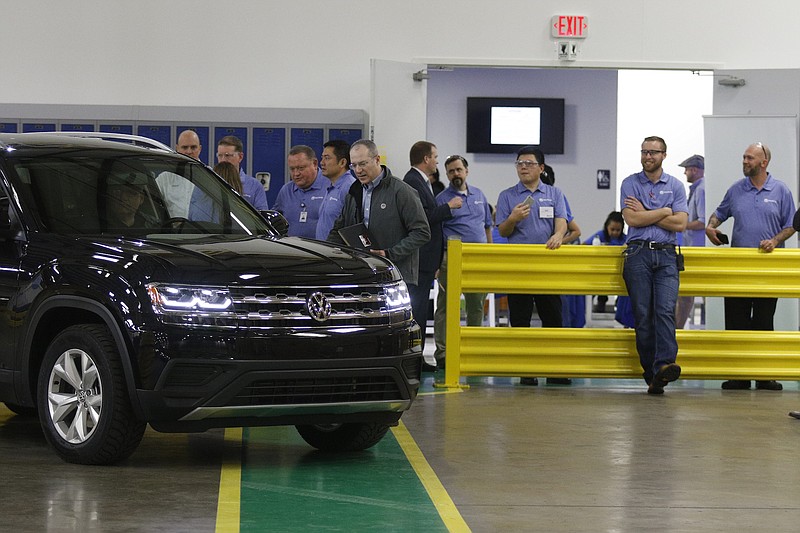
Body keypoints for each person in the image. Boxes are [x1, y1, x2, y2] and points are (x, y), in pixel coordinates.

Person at [706, 142, 796, 391]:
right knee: (736, 322)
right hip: (738, 270)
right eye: (744, 157)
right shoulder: (736, 190)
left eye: (749, 158)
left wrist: (776, 240)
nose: (744, 161)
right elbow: (718, 214)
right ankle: (739, 376)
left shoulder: (781, 191)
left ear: (763, 162)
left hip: (768, 270)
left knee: (764, 322)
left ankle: (764, 375)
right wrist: (711, 226)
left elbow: (791, 225)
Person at [496, 146, 569, 386]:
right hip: (519, 265)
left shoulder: (554, 193)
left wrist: (558, 236)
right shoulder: (507, 196)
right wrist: (513, 218)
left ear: (541, 168)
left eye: (528, 163)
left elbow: (562, 222)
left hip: (548, 265)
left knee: (553, 318)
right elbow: (504, 231)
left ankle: (556, 369)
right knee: (520, 318)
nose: (523, 167)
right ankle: (526, 369)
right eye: (519, 163)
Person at [620, 136, 687, 395]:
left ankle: (665, 364)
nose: (648, 157)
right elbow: (632, 219)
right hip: (638, 254)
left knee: (665, 311)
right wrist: (662, 211)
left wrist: (646, 211)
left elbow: (680, 224)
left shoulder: (676, 186)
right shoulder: (629, 183)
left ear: (664, 155)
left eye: (653, 152)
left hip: (667, 255)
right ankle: (652, 374)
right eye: (644, 152)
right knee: (643, 316)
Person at [328, 139, 430, 287]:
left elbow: (422, 232)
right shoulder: (354, 192)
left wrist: (389, 254)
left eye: (363, 164)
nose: (358, 170)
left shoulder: (401, 191)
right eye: (354, 165)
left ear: (377, 160)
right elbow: (338, 230)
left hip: (397, 276)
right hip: (364, 276)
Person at [432, 154, 492, 368]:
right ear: (447, 175)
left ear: (466, 171)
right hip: (451, 257)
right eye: (451, 171)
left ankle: (473, 348)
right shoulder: (441, 199)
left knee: (476, 306)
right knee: (447, 306)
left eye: (459, 169)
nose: (456, 174)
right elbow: (437, 232)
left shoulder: (479, 195)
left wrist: (489, 255)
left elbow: (487, 227)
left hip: (477, 257)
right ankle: (443, 353)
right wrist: (437, 263)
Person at [402, 141, 460, 364]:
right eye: (435, 156)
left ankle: (416, 357)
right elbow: (421, 219)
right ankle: (413, 358)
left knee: (420, 308)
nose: (437, 160)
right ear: (426, 159)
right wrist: (449, 208)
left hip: (427, 260)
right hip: (420, 258)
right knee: (415, 310)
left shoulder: (421, 181)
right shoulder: (413, 181)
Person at [583, 211, 635, 328]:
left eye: (618, 230)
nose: (615, 233)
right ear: (607, 227)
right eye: (612, 229)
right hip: (600, 271)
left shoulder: (626, 239)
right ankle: (596, 304)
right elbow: (584, 245)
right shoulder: (600, 235)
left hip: (619, 273)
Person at [675, 154, 706, 329]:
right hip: (692, 247)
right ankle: (678, 327)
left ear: (694, 169)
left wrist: (681, 224)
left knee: (687, 292)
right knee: (685, 292)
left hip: (697, 250)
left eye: (686, 169)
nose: (685, 173)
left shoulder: (701, 190)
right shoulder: (696, 189)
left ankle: (678, 328)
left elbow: (702, 221)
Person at [273, 145, 329, 238]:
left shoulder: (330, 187)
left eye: (301, 168)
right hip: (292, 250)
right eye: (292, 169)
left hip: (320, 249)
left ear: (315, 164)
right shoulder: (286, 190)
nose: (296, 174)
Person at [316, 140, 356, 241]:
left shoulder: (349, 187)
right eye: (322, 157)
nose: (322, 163)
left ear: (342, 162)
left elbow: (352, 226)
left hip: (337, 253)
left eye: (327, 158)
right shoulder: (332, 186)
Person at [215, 135, 268, 211]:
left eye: (227, 155)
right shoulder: (211, 180)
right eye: (220, 155)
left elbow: (262, 217)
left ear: (240, 157)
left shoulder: (254, 186)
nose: (223, 160)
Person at [156, 129, 201, 218]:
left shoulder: (209, 177)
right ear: (177, 148)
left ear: (200, 149)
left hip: (203, 230)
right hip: (173, 230)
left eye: (193, 147)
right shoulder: (165, 179)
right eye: (184, 147)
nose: (189, 152)